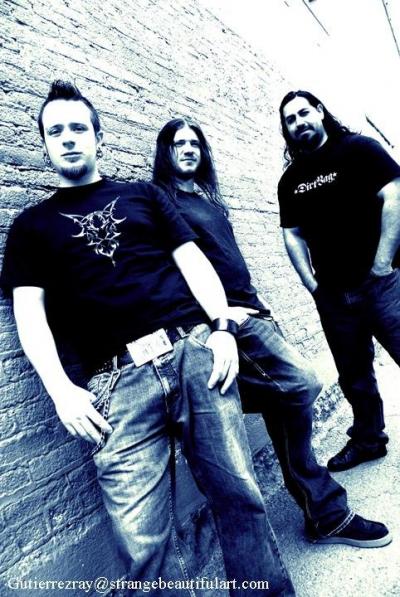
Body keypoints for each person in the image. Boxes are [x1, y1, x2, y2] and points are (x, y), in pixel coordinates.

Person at [0, 81, 295, 597]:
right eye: (55, 131)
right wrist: (61, 391)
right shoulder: (30, 228)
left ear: (97, 137)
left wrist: (222, 328)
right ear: (45, 144)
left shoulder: (144, 196)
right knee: (141, 542)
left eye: (77, 128)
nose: (67, 138)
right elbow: (30, 316)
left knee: (239, 495)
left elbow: (194, 263)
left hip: (191, 352)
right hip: (114, 385)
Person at [152, 117, 391, 548]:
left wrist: (257, 306)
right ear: (164, 152)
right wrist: (219, 318)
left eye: (194, 143)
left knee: (284, 412)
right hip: (228, 324)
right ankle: (320, 508)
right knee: (302, 383)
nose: (188, 149)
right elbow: (170, 270)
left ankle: (325, 515)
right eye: (177, 143)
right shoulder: (161, 202)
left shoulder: (205, 200)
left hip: (252, 315)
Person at [278, 90, 400, 473]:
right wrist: (312, 286)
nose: (299, 122)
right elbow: (292, 234)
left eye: (303, 113)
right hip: (333, 295)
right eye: (290, 119)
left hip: (381, 284)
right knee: (354, 374)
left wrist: (383, 263)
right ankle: (368, 440)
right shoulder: (291, 180)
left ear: (319, 111)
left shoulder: (359, 149)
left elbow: (395, 196)